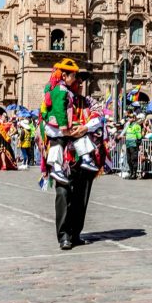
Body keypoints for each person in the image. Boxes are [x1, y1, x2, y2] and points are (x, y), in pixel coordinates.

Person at [39, 58, 101, 250]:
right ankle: (64, 235)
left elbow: (100, 119)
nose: (80, 84)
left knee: (81, 197)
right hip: (64, 157)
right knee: (64, 194)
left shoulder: (87, 102)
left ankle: (76, 233)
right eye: (77, 81)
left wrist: (84, 127)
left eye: (82, 82)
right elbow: (43, 123)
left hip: (83, 158)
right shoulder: (58, 97)